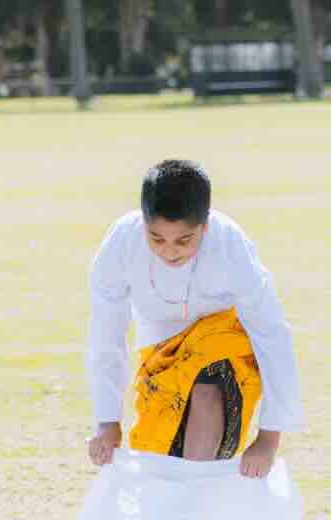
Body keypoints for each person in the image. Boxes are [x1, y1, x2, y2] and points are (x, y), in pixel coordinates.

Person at [85, 159, 303, 475]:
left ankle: (195, 494)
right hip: (161, 352)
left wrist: (269, 437)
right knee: (164, 463)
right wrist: (107, 421)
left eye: (183, 240)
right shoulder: (121, 243)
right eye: (156, 238)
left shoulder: (230, 245)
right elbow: (106, 333)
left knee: (205, 385)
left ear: (205, 226)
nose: (170, 251)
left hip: (224, 344)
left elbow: (271, 333)